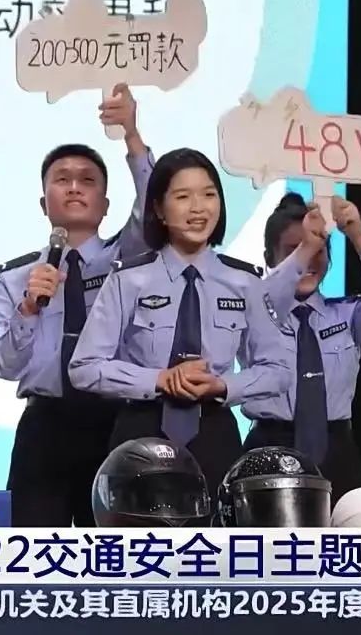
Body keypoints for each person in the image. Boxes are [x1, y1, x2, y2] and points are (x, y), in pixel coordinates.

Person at [67, 147, 292, 505]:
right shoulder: (128, 279)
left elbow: (278, 370)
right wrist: (158, 379)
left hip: (214, 431)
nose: (198, 208)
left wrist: (224, 385)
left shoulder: (245, 281)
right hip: (141, 430)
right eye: (183, 197)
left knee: (214, 536)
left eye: (208, 194)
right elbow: (84, 368)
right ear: (159, 208)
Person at [0, 83, 154, 527]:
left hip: (114, 423)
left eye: (87, 181)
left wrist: (131, 134)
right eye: (62, 180)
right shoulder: (12, 278)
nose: (75, 188)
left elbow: (153, 204)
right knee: (33, 553)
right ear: (44, 203)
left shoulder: (128, 259)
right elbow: (2, 364)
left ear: (105, 204)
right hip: (45, 426)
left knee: (115, 551)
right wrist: (28, 309)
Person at [242, 192, 361, 502]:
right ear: (269, 258)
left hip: (336, 452)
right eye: (294, 250)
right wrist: (307, 247)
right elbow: (261, 302)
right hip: (270, 448)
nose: (309, 260)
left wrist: (357, 234)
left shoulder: (347, 316)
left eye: (319, 250)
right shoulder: (256, 312)